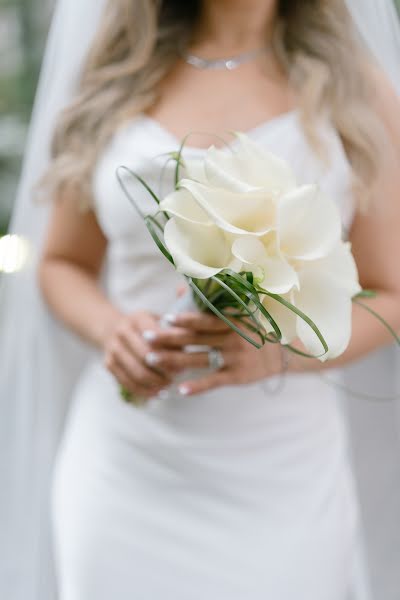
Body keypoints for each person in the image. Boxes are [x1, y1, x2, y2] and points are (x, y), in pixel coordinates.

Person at [2, 1, 400, 599]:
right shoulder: (115, 76)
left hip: (281, 479)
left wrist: (279, 353)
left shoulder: (353, 89)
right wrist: (113, 330)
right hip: (128, 467)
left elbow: (389, 294)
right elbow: (61, 263)